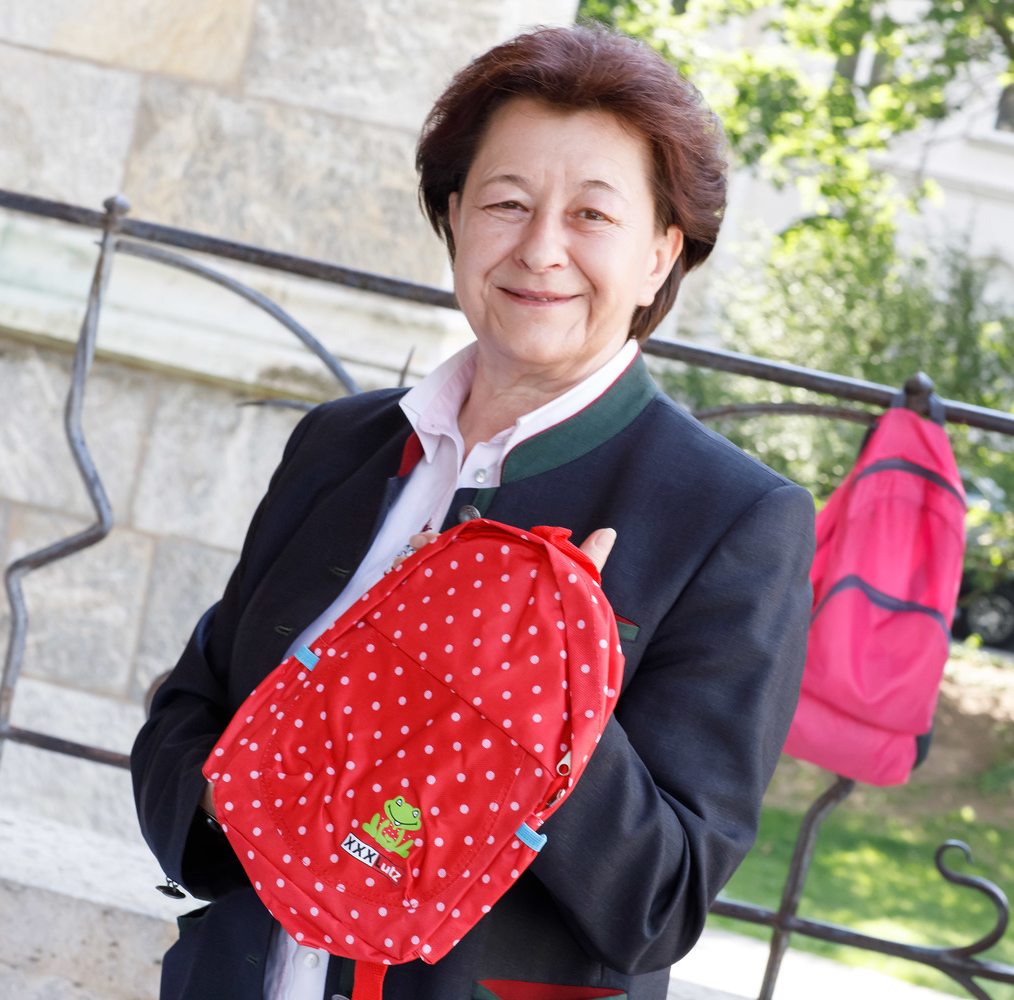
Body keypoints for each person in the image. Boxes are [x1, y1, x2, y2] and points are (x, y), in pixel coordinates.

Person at [131, 24, 815, 1000]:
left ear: (661, 255)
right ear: (455, 218)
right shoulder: (341, 445)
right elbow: (190, 709)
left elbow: (658, 906)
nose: (541, 248)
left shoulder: (731, 519)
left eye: (592, 214)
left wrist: (537, 687)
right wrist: (244, 813)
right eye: (507, 203)